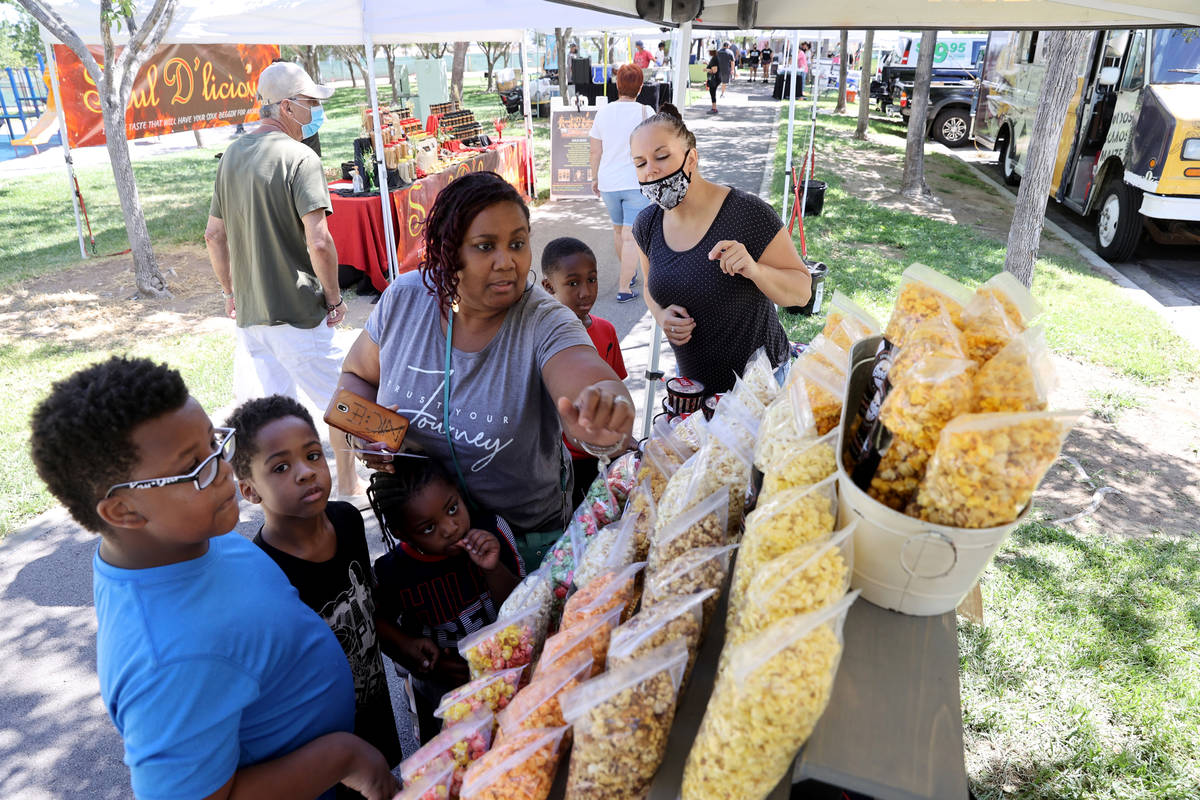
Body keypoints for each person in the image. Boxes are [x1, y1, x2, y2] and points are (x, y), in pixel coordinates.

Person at [29, 357, 398, 800]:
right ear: (124, 511)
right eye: (194, 468)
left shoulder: (186, 539)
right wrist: (344, 757)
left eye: (213, 444)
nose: (223, 470)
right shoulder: (167, 662)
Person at [338, 171, 634, 571]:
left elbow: (583, 372)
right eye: (485, 246)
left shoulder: (546, 320)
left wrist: (602, 408)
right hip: (425, 546)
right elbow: (356, 377)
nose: (506, 261)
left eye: (517, 243)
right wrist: (372, 437)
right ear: (448, 252)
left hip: (522, 546)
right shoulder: (404, 300)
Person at [205, 61, 362, 502]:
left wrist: (231, 293)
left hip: (252, 316)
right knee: (344, 401)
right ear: (286, 105)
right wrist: (333, 298)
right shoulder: (301, 157)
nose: (313, 111)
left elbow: (213, 235)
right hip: (298, 312)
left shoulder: (233, 154)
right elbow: (320, 241)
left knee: (272, 418)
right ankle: (349, 484)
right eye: (309, 103)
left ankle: (279, 495)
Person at [225, 395, 403, 780]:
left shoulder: (347, 519)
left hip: (376, 712)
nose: (306, 472)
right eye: (281, 467)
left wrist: (402, 645)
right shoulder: (265, 575)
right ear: (250, 491)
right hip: (320, 748)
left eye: (313, 455)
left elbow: (366, 606)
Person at [630, 106, 813, 395]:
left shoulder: (747, 213)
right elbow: (650, 291)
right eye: (640, 163)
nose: (650, 170)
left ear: (691, 158)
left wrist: (755, 270)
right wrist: (662, 316)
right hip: (693, 393)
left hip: (763, 389)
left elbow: (803, 291)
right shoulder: (646, 224)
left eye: (661, 157)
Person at [367, 459, 523, 742]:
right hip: (445, 688)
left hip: (511, 666)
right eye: (428, 528)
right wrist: (423, 664)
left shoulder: (492, 530)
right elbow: (379, 627)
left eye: (453, 509)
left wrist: (493, 568)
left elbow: (522, 604)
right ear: (401, 533)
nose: (450, 528)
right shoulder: (393, 572)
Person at [540, 237, 631, 506]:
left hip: (605, 457)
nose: (585, 292)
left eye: (591, 280)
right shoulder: (542, 338)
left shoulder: (606, 330)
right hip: (561, 464)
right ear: (548, 286)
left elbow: (617, 393)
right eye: (573, 283)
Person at [589, 63, 655, 304]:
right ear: (640, 87)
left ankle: (629, 273)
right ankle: (624, 287)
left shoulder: (603, 112)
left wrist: (594, 177)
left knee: (619, 231)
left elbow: (595, 151)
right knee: (630, 236)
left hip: (608, 182)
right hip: (635, 181)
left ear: (617, 85)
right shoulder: (646, 112)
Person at [705, 48, 721, 114]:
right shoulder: (715, 57)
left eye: (709, 51)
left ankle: (714, 109)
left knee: (712, 92)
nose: (708, 52)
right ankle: (714, 108)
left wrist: (706, 70)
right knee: (712, 92)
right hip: (716, 78)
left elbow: (714, 70)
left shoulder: (714, 58)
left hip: (714, 78)